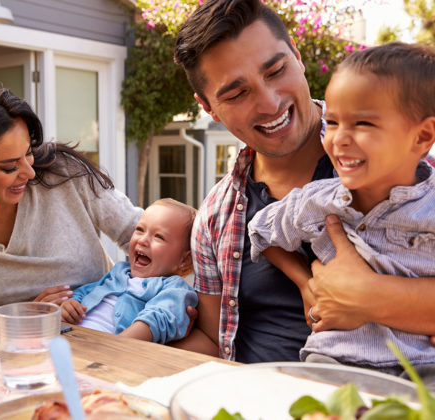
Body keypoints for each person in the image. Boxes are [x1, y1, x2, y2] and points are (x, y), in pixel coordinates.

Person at [173, 0, 435, 363]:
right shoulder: (214, 216)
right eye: (237, 93)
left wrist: (368, 296)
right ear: (209, 108)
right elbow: (213, 337)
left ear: (297, 56)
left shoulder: (407, 167)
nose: (270, 102)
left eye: (276, 70)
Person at [247, 42, 435, 387]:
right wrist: (306, 284)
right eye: (332, 122)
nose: (339, 139)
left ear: (422, 136)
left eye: (363, 123)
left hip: (422, 369)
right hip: (332, 362)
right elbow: (260, 231)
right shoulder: (318, 202)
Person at [0, 77, 142, 309]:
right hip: (23, 342)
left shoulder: (65, 174)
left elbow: (140, 234)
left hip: (111, 328)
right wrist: (27, 314)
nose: (29, 172)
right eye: (9, 166)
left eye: (28, 153)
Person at [61, 198, 198, 344]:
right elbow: (87, 291)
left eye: (159, 236)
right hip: (67, 339)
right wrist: (70, 304)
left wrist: (116, 346)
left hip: (107, 352)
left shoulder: (174, 288)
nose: (143, 240)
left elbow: (159, 318)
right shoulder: (118, 273)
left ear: (184, 261)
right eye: (140, 230)